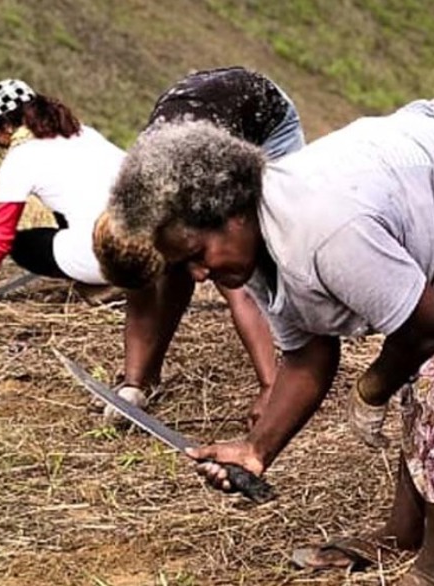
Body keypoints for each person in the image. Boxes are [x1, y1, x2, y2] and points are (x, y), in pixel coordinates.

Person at [94, 95, 434, 586]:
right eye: (187, 266)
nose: (200, 275)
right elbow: (308, 354)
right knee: (423, 366)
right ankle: (402, 533)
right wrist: (256, 449)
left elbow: (427, 327)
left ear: (233, 212)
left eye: (198, 254)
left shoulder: (325, 231)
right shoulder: (255, 250)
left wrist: (372, 389)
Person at [93, 66, 307, 421]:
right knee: (174, 269)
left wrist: (271, 390)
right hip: (200, 122)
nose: (198, 275)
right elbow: (143, 299)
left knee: (254, 255)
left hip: (265, 120)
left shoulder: (200, 193)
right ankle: (144, 378)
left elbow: (240, 286)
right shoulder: (133, 206)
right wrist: (132, 388)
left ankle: (284, 373)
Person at [0, 79, 124, 306]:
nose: (0, 146)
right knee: (68, 208)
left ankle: (105, 283)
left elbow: (0, 239)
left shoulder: (18, 160)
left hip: (110, 259)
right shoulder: (84, 133)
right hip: (150, 248)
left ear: (5, 127)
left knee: (21, 246)